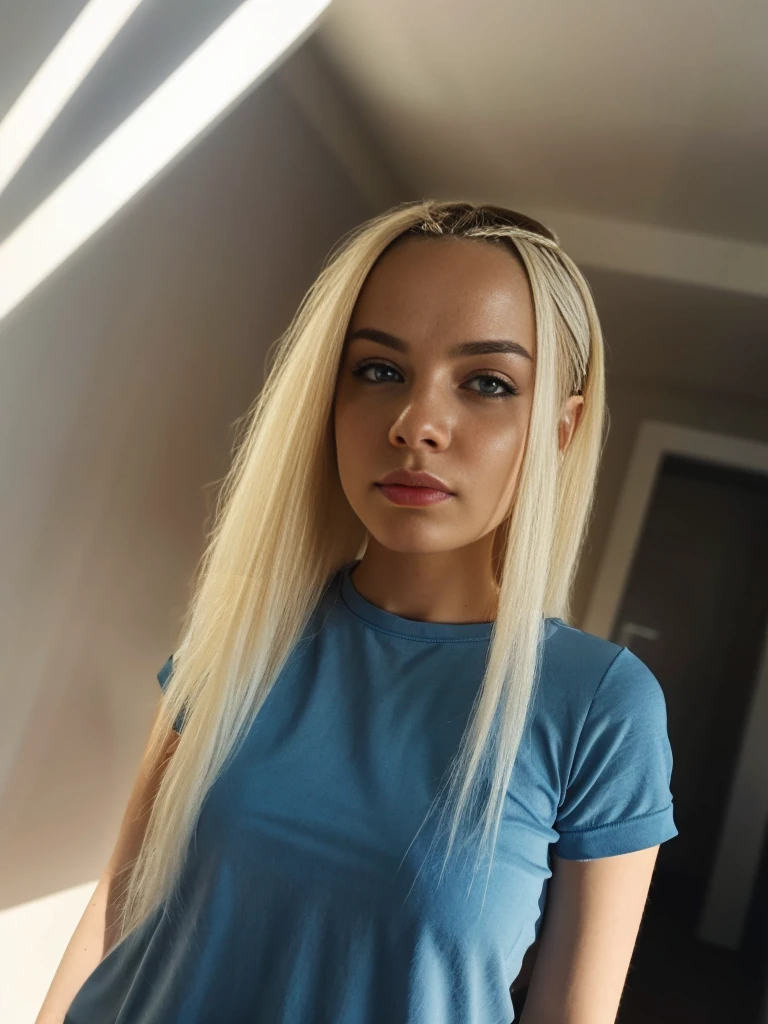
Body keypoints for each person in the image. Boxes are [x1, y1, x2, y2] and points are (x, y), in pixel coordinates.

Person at [38, 200, 678, 1024]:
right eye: (379, 371)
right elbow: (113, 917)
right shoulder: (241, 636)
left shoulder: (599, 708)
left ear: (561, 426)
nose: (417, 424)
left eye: (487, 383)